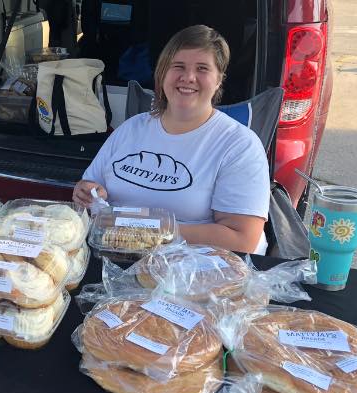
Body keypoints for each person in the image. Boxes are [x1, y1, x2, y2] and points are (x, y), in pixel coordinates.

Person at [73, 25, 270, 254]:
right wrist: (86, 191)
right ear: (162, 73)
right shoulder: (131, 129)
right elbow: (88, 188)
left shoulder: (239, 145)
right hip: (115, 253)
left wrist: (151, 232)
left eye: (202, 68)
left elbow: (242, 239)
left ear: (218, 80)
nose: (188, 77)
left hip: (194, 271)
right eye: (178, 66)